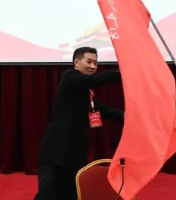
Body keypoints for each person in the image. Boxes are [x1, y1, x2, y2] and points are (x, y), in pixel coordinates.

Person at [35, 46, 124, 200]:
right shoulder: (69, 77)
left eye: (95, 63)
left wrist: (124, 115)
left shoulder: (85, 91)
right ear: (76, 62)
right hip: (56, 152)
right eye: (89, 62)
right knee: (48, 193)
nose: (93, 66)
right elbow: (94, 80)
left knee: (72, 194)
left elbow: (102, 109)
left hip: (74, 154)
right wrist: (122, 72)